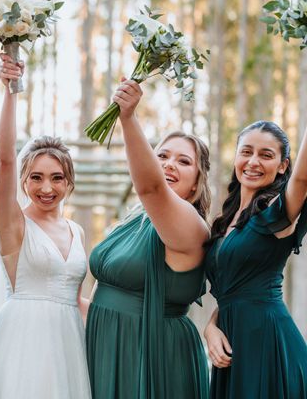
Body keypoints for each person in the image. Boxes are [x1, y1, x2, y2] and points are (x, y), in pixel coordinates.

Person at [0, 54, 91, 399]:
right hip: (21, 342)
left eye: (57, 178)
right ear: (23, 181)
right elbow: (6, 157)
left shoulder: (76, 232)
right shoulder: (14, 224)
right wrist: (11, 91)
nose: (47, 188)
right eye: (36, 178)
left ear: (69, 182)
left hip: (69, 345)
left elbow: (75, 297)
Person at [86, 78, 210, 399]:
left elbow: (151, 188)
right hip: (104, 347)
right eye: (162, 156)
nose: (169, 164)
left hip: (154, 356)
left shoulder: (191, 227)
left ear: (197, 184)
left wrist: (128, 118)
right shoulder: (133, 220)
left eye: (184, 161)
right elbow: (104, 297)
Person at [204, 120, 307, 398]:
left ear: (283, 166)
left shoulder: (278, 211)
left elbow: (302, 179)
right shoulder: (222, 222)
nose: (253, 162)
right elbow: (232, 292)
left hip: (267, 343)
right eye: (246, 151)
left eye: (266, 155)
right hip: (232, 342)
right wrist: (211, 326)